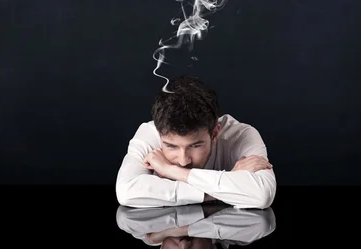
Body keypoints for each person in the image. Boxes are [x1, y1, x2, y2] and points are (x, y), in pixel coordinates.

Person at [115, 75, 276, 209]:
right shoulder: (149, 133)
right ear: (159, 133)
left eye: (195, 145)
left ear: (215, 133)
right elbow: (126, 192)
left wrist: (171, 170)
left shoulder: (242, 135)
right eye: (171, 146)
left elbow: (262, 195)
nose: (183, 161)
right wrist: (227, 184)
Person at [116, 203, 276, 247]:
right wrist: (182, 229)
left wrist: (161, 235)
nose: (185, 244)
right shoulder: (236, 237)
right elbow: (263, 222)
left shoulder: (147, 234)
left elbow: (125, 217)